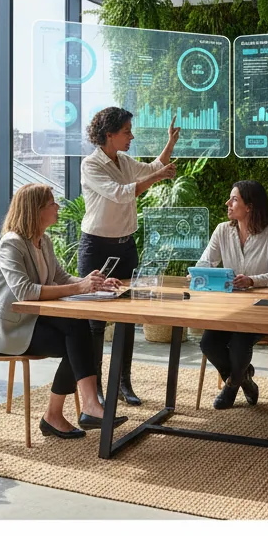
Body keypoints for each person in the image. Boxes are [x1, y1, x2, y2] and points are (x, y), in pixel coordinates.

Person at [0, 183, 128, 439]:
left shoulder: (42, 241)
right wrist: (80, 287)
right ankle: (78, 410)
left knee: (77, 332)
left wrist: (93, 283)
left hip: (29, 322)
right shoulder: (11, 244)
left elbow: (60, 277)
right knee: (77, 336)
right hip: (7, 330)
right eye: (52, 204)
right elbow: (25, 291)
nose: (58, 207)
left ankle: (67, 413)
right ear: (35, 210)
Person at [80, 106, 179, 407]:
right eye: (126, 131)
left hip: (126, 247)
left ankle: (123, 383)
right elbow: (121, 192)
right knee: (96, 322)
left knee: (129, 317)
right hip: (97, 246)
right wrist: (158, 175)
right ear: (108, 134)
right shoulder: (91, 164)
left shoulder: (122, 160)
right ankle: (94, 390)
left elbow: (151, 169)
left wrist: (170, 143)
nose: (131, 136)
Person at [195, 181, 268, 409]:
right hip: (229, 308)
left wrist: (252, 280)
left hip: (262, 309)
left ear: (249, 206)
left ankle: (231, 387)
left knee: (239, 343)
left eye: (234, 199)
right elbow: (206, 261)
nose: (228, 203)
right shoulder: (222, 230)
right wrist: (197, 273)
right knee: (208, 343)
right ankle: (244, 378)